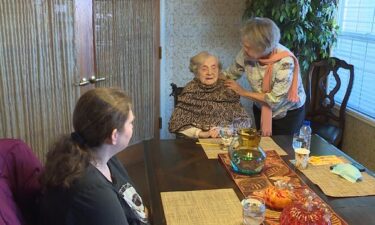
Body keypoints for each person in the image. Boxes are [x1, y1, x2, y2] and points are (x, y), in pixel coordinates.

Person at [40, 88, 148, 225]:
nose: (133, 126)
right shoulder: (95, 194)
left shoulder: (103, 157)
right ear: (114, 136)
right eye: (130, 123)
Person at [223, 17, 306, 136]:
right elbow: (230, 74)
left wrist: (243, 92)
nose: (243, 49)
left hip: (287, 113)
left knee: (283, 150)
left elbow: (274, 100)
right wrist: (210, 74)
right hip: (261, 108)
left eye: (248, 47)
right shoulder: (245, 53)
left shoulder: (285, 62)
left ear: (263, 48)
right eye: (243, 44)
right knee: (264, 145)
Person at [168, 51, 250, 138]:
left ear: (219, 70)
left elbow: (244, 120)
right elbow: (176, 122)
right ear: (196, 72)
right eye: (204, 69)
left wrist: (227, 130)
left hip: (226, 140)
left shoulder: (228, 89)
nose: (210, 72)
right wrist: (201, 133)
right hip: (197, 143)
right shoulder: (190, 90)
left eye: (214, 68)